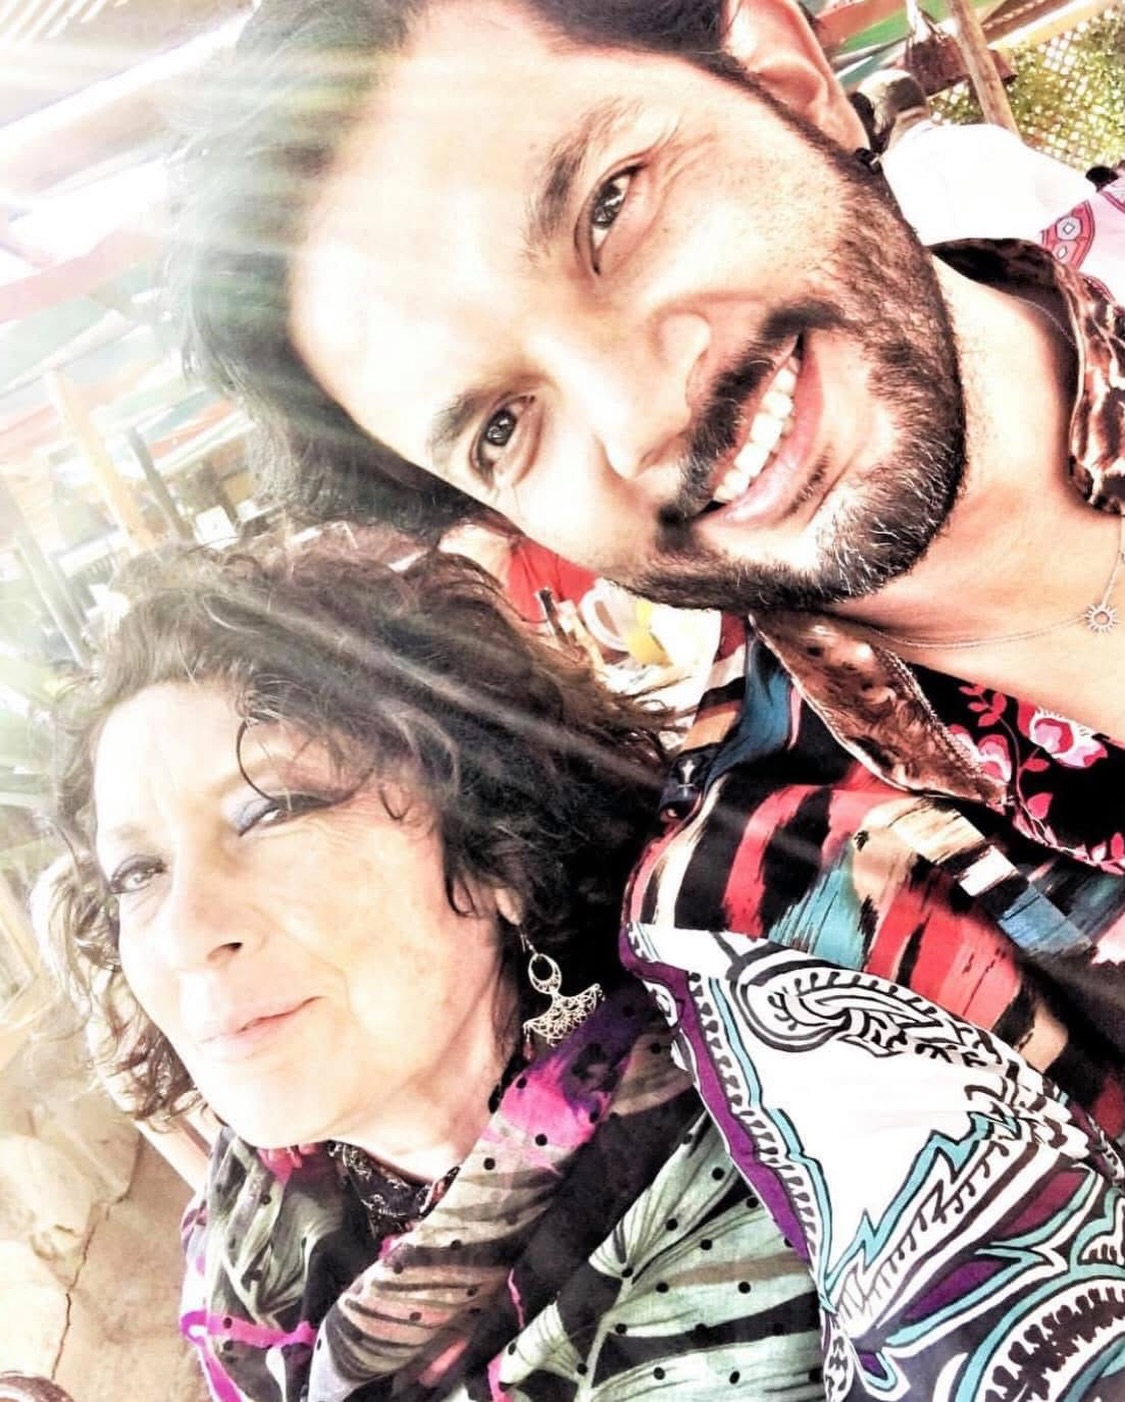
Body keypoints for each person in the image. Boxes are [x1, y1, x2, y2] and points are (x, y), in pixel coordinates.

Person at [169, 0, 1125, 1391]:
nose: (642, 416)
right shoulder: (781, 906)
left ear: (783, 74)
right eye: (506, 424)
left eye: (609, 207)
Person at [47, 532, 1125, 1401]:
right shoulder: (250, 1234)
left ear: (493, 843)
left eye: (274, 810)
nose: (186, 930)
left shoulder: (786, 1127)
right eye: (137, 871)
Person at [856, 69, 1095, 244]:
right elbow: (1080, 195)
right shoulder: (992, 137)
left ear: (878, 119)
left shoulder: (882, 180)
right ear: (924, 105)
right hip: (1042, 280)